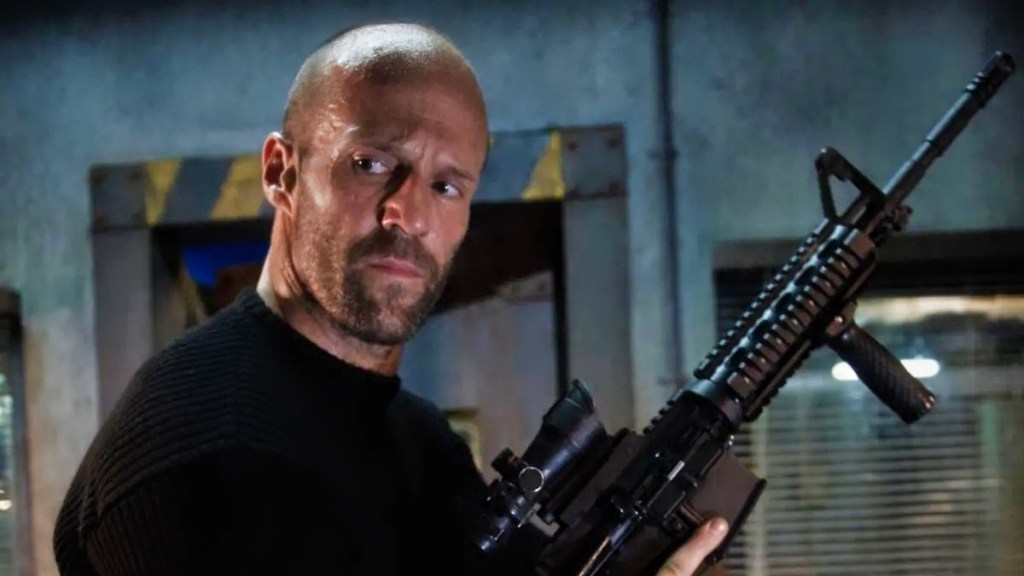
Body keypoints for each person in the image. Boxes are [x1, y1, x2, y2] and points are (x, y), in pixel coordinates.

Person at [52, 22, 728, 576]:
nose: (410, 213)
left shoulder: (419, 440)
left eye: (446, 186)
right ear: (282, 172)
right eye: (371, 164)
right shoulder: (205, 447)